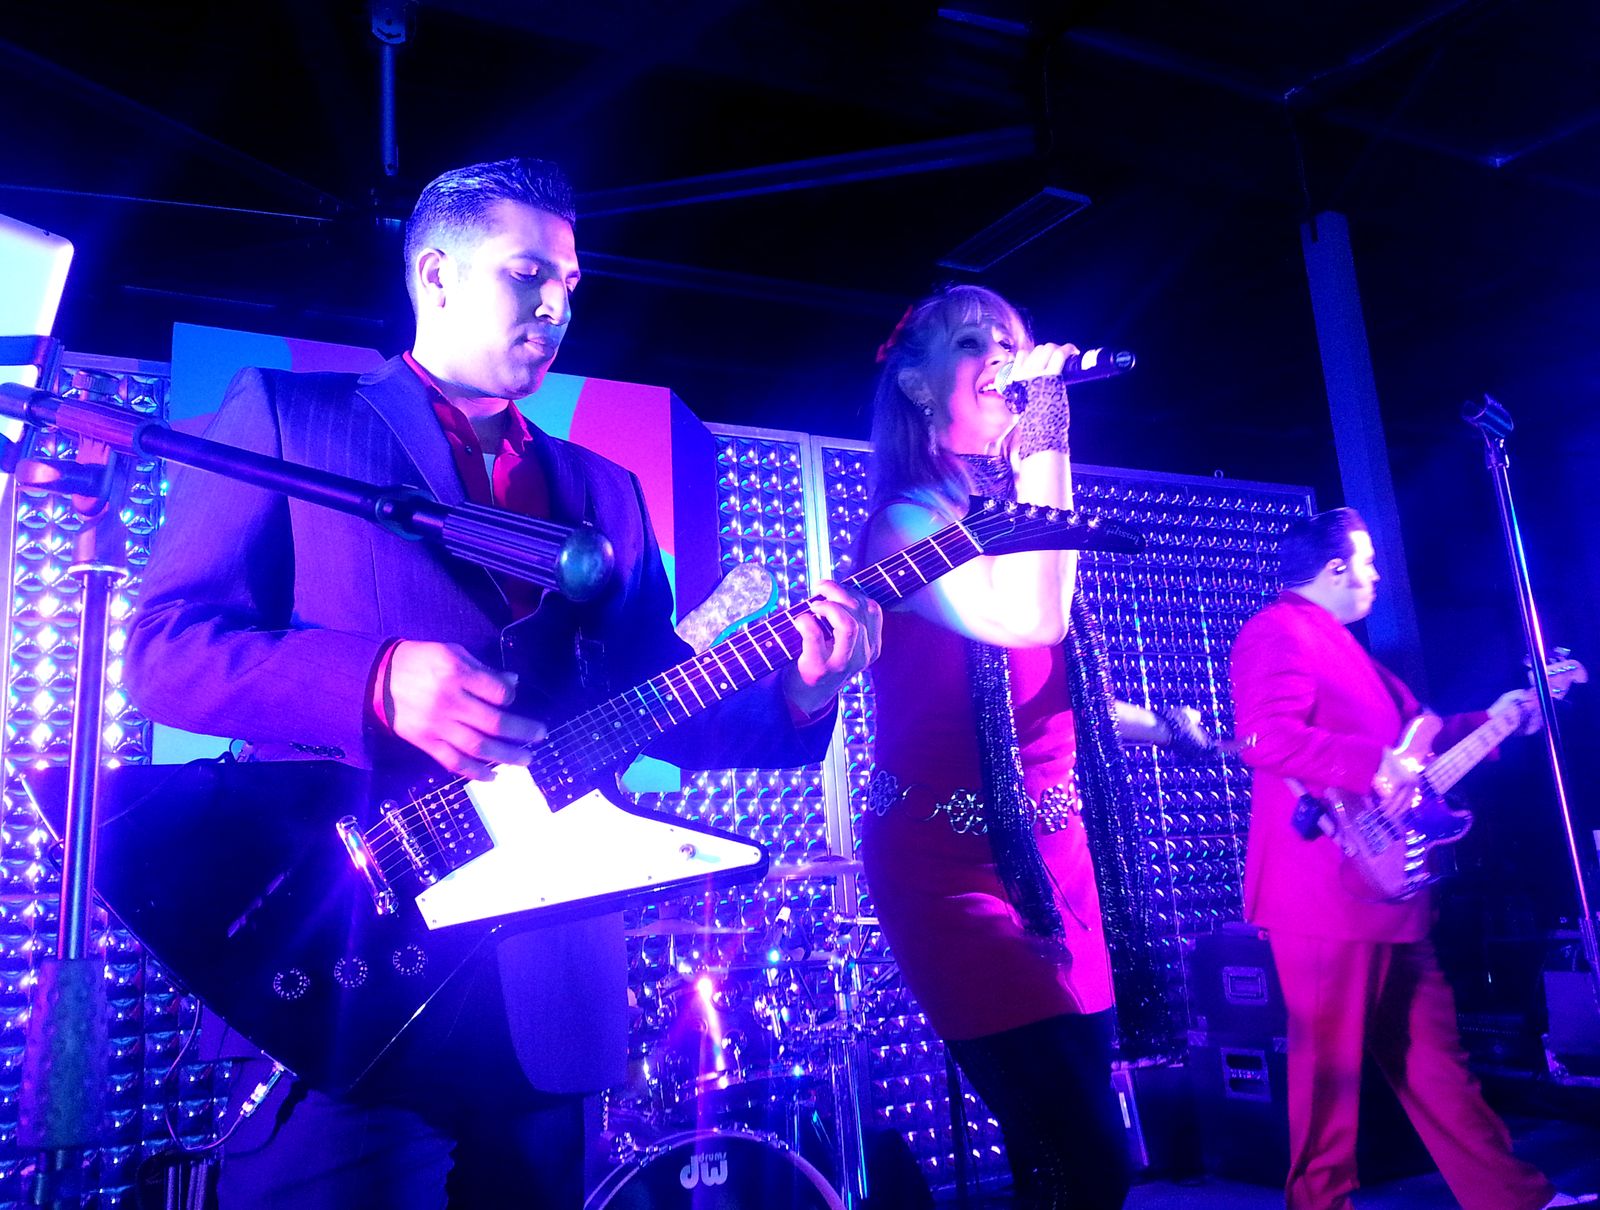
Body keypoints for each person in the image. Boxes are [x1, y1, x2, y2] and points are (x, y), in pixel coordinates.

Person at [122, 157, 881, 1209]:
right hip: (350, 948)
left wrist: (801, 690)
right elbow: (165, 651)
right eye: (529, 273)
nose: (557, 305)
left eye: (570, 282)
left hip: (549, 981)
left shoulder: (605, 490)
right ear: (435, 274)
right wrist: (375, 679)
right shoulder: (292, 418)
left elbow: (659, 703)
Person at [858, 285, 1196, 1210]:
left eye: (1012, 341)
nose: (1002, 358)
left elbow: (1041, 693)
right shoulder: (903, 526)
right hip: (948, 866)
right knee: (1078, 1155)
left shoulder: (1003, 513)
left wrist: (1161, 727)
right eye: (974, 343)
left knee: (1085, 1161)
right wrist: (1049, 428)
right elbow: (1034, 620)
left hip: (1058, 856)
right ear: (919, 386)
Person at [1230, 507, 1593, 1210]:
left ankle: (1514, 1199)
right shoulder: (1277, 630)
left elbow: (1419, 746)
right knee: (1328, 1079)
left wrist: (1506, 716)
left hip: (1390, 891)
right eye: (1366, 563)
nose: (1375, 577)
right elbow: (1265, 738)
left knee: (1437, 1067)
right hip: (1325, 891)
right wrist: (1375, 766)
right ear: (1334, 568)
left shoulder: (1349, 652)